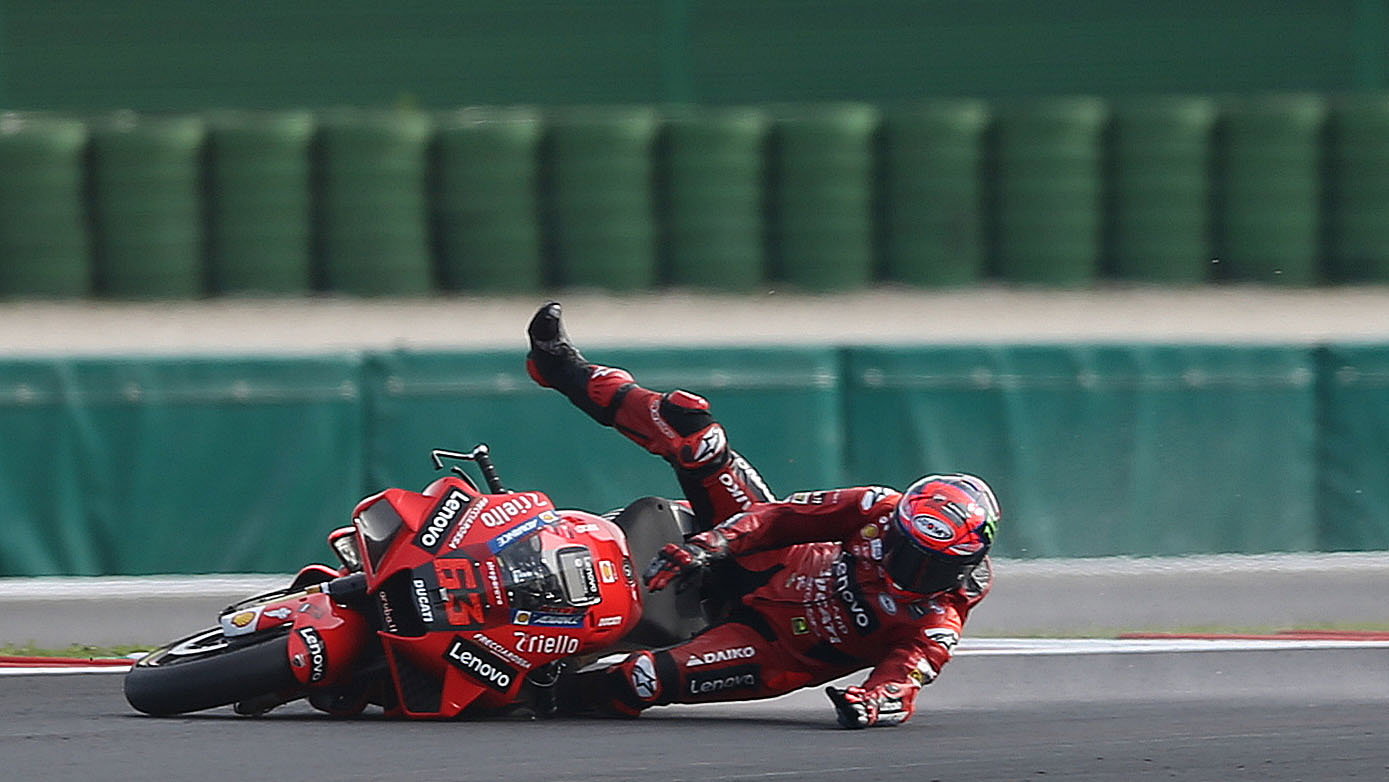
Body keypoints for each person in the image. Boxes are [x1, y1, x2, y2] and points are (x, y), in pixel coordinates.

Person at [525, 302, 998, 729]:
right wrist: (713, 544)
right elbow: (781, 518)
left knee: (643, 679)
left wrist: (870, 703)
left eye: (930, 566)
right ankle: (561, 368)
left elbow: (901, 684)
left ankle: (531, 697)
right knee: (696, 435)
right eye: (904, 548)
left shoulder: (937, 622)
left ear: (960, 568)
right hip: (770, 560)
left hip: (769, 647)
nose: (906, 568)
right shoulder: (877, 507)